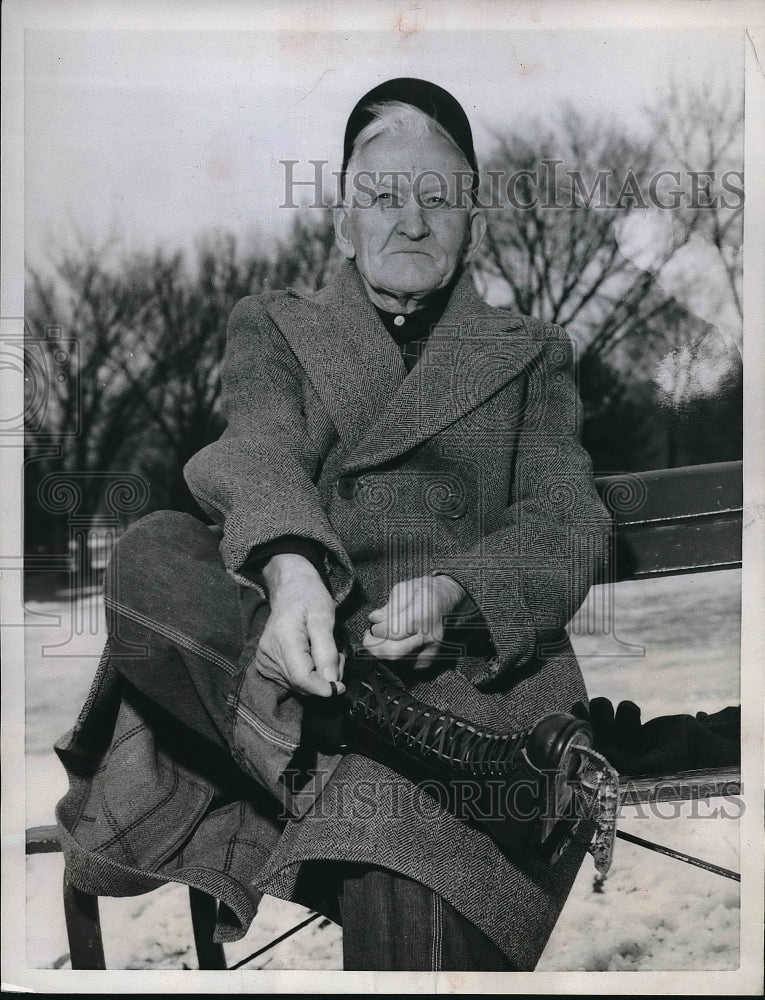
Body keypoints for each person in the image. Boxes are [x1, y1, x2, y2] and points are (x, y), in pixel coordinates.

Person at [55, 78, 612, 972]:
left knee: (393, 835)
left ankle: (362, 750)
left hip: (468, 689)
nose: (411, 220)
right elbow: (258, 450)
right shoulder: (274, 326)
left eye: (438, 198)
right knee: (153, 553)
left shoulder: (530, 352)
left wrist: (459, 592)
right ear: (343, 221)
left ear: (473, 219)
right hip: (286, 657)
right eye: (382, 196)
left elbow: (567, 515)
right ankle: (365, 734)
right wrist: (288, 567)